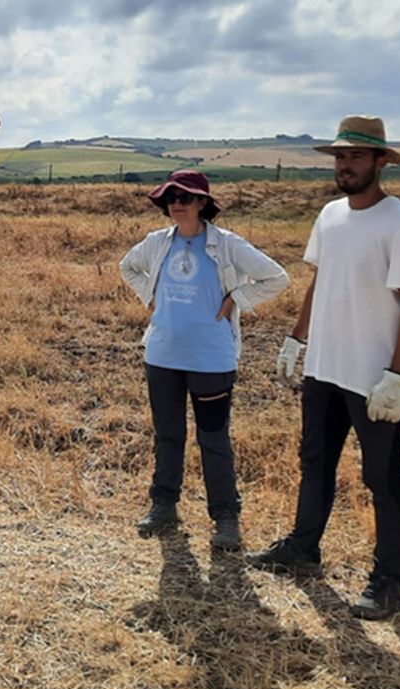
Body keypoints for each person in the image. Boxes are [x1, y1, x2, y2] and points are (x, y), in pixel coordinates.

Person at [247, 115, 400, 622]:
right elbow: (319, 281)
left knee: (383, 477)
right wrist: (296, 337)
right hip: (326, 366)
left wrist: (399, 376)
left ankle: (389, 580)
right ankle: (303, 549)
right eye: (339, 156)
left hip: (375, 376)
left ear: (380, 162)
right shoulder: (330, 215)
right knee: (315, 461)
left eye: (355, 156)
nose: (345, 165)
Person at [119, 170, 289, 551]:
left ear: (202, 203)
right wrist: (152, 295)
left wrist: (237, 300)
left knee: (213, 439)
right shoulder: (156, 243)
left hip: (212, 359)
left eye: (186, 196)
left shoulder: (227, 245)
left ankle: (225, 518)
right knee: (168, 435)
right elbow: (127, 267)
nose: (177, 203)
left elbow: (276, 277)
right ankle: (163, 507)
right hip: (162, 355)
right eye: (171, 197)